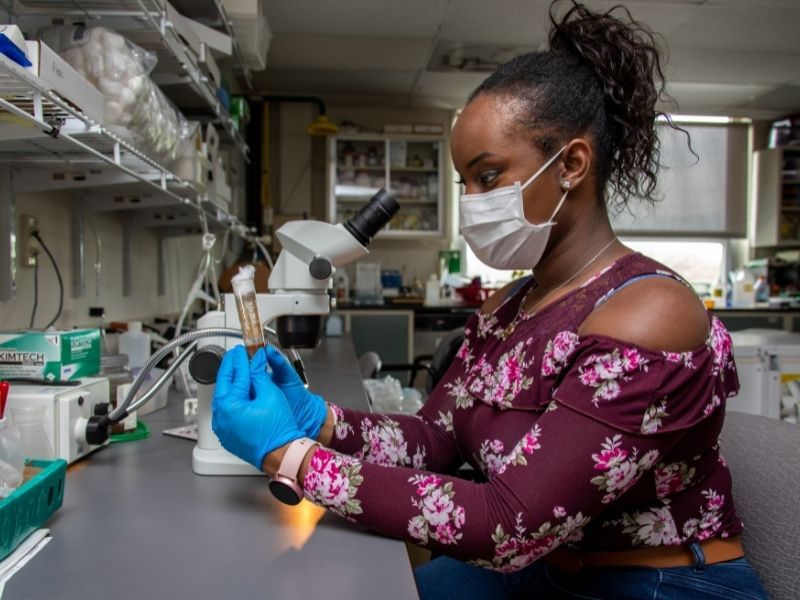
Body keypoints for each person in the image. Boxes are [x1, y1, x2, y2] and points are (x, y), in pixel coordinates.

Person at [211, 2, 768, 598]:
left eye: (489, 175)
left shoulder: (649, 312)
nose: (473, 201)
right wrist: (317, 418)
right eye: (464, 182)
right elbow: (436, 442)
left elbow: (508, 524)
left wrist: (289, 457)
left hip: (655, 583)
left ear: (572, 164)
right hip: (547, 570)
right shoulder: (510, 306)